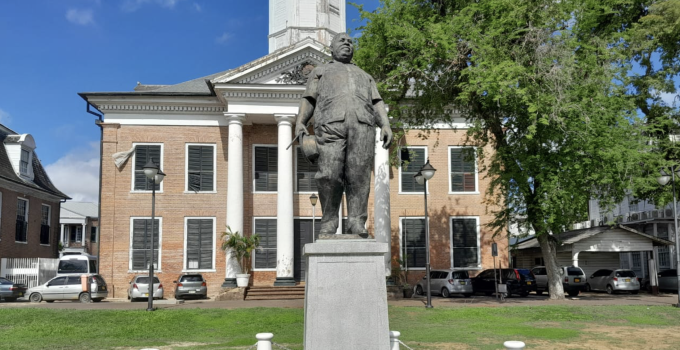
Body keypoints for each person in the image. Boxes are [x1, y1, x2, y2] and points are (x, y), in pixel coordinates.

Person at [294, 32, 393, 236]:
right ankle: (329, 222)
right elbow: (309, 99)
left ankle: (357, 222)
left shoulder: (365, 75)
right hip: (331, 127)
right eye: (342, 41)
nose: (347, 44)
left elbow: (377, 102)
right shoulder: (320, 72)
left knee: (359, 176)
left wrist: (385, 124)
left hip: (362, 127)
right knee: (329, 175)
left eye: (350, 41)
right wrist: (300, 122)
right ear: (331, 48)